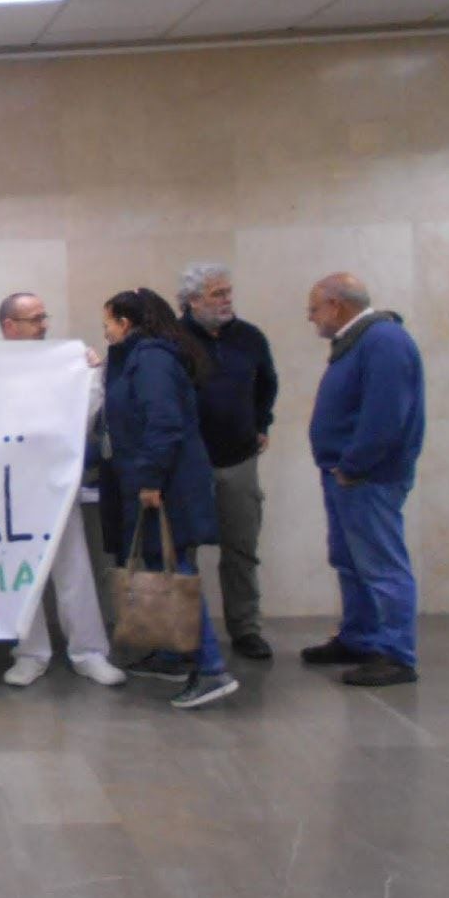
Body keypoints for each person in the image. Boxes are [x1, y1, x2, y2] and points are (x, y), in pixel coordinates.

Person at [102, 288, 238, 709]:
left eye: (107, 322)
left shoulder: (153, 362)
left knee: (174, 571)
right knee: (166, 568)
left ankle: (211, 668)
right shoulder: (145, 357)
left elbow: (163, 423)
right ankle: (175, 652)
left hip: (168, 488)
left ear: (126, 323)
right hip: (166, 483)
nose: (104, 331)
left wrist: (149, 480)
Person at [0, 292, 126, 690]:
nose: (43, 325)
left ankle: (89, 652)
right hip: (11, 489)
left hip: (57, 483)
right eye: (34, 319)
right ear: (9, 327)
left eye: (43, 317)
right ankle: (30, 653)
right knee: (22, 574)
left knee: (73, 570)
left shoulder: (62, 363)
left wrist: (93, 376)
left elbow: (82, 416)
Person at [302, 273, 425, 686]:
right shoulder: (359, 342)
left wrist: (354, 465)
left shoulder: (384, 342)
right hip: (346, 475)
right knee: (350, 561)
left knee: (381, 566)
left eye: (314, 308)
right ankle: (359, 637)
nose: (311, 318)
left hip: (366, 478)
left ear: (336, 306)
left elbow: (386, 415)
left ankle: (395, 653)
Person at [178, 263, 278, 661]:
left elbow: (267, 383)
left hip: (238, 458)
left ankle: (245, 627)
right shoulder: (174, 340)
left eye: (227, 292)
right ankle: (184, 632)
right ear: (191, 301)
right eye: (216, 294)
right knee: (183, 551)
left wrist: (261, 422)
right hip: (189, 462)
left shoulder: (249, 337)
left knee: (241, 547)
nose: (226, 300)